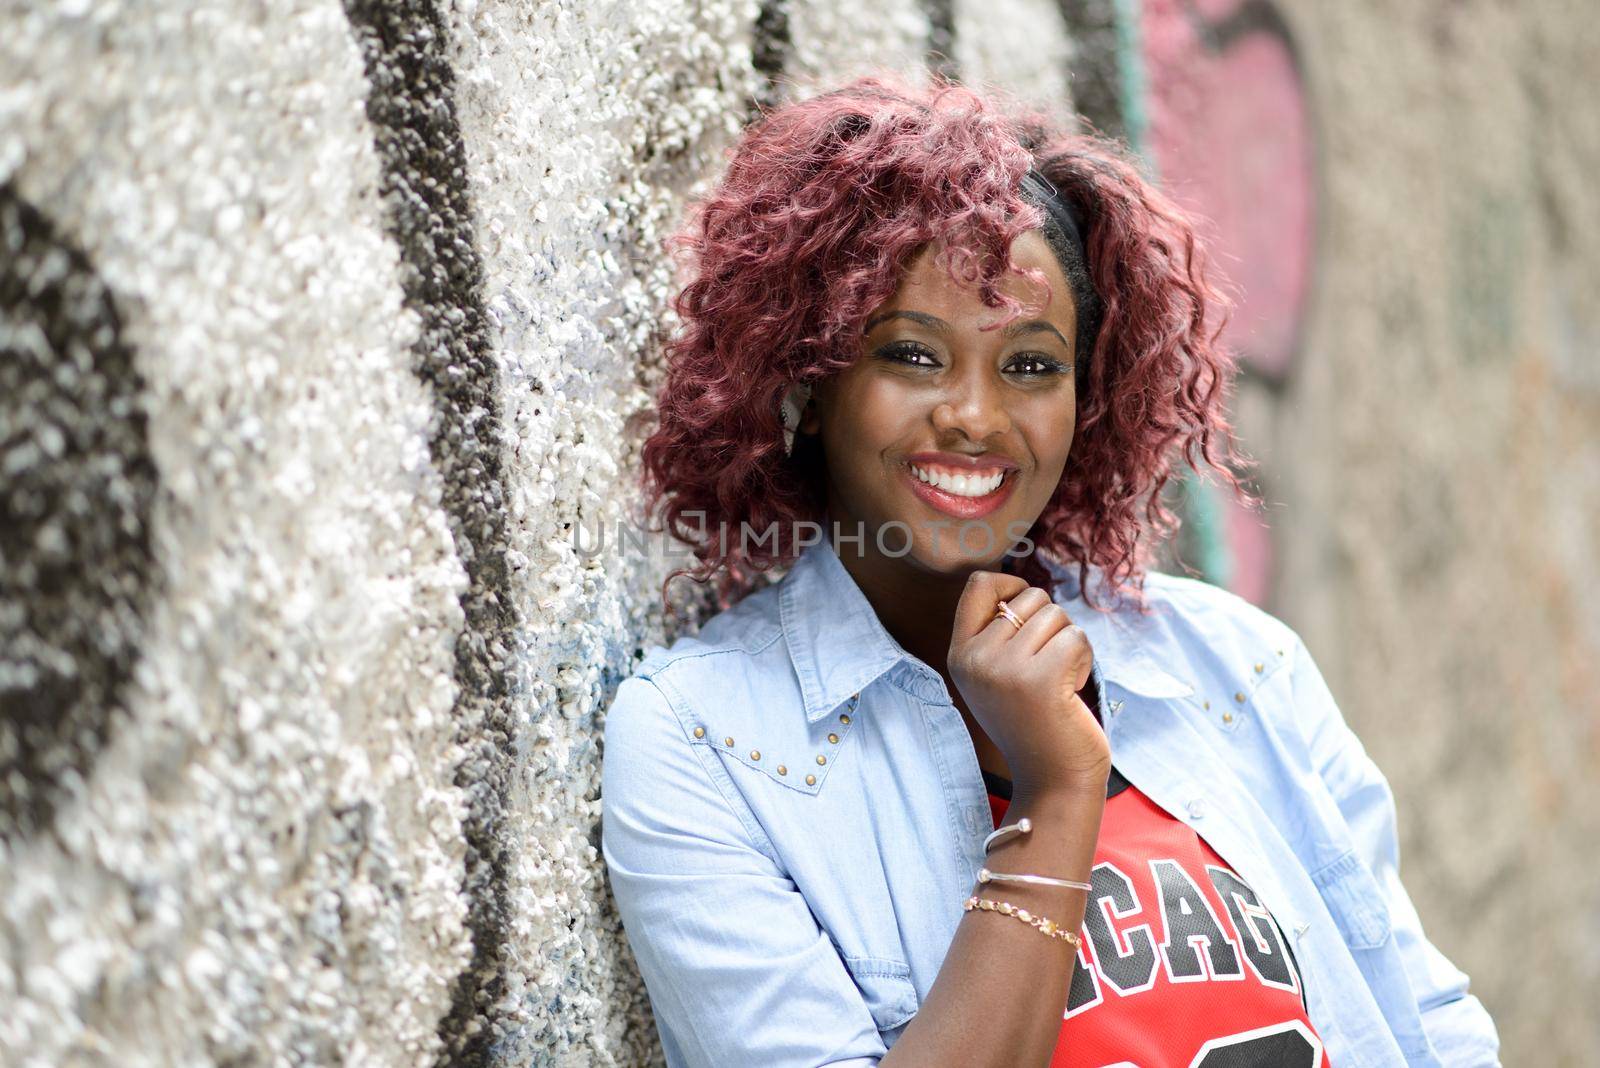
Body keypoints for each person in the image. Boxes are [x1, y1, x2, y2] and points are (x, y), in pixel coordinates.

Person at [600, 74, 1500, 1068]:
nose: (975, 417)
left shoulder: (1237, 667)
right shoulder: (706, 744)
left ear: (1087, 397)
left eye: (1029, 365)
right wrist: (1057, 795)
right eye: (911, 355)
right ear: (812, 383)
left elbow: (1426, 1024)